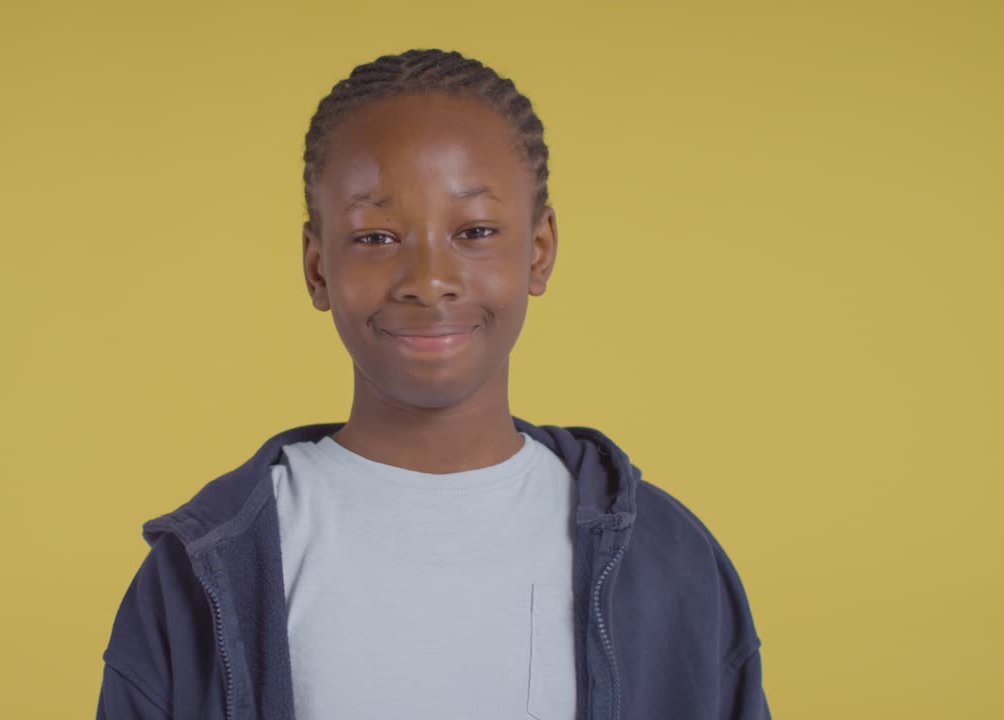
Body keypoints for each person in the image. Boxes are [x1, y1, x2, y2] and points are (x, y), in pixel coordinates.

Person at [96, 48, 770, 720]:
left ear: (538, 251)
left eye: (475, 231)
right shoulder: (203, 569)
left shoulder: (672, 562)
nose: (427, 278)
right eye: (376, 237)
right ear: (316, 266)